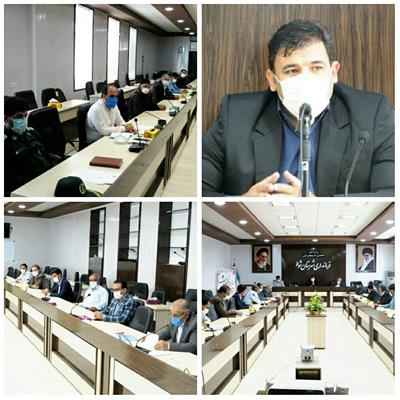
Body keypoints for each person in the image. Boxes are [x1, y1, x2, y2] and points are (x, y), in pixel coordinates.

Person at [202, 20, 394, 197]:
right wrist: (243, 203)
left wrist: (317, 207)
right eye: (292, 70)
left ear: (333, 72)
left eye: (316, 68)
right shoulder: (236, 115)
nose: (305, 79)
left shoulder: (372, 115)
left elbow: (391, 194)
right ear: (272, 80)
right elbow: (201, 188)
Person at [4, 97, 61, 196]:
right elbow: (10, 181)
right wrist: (41, 181)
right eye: (19, 117)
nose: (23, 120)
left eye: (25, 116)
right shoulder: (5, 143)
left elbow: (46, 155)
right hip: (28, 188)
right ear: (5, 118)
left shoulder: (31, 132)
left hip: (47, 179)